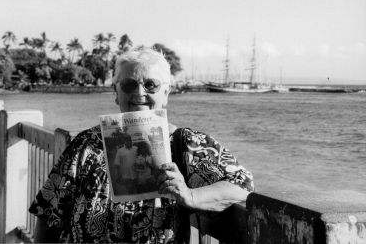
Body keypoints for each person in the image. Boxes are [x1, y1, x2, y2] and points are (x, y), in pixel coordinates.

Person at [29, 47, 254, 243]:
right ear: (116, 94)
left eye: (151, 85)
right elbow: (48, 214)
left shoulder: (185, 143)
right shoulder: (86, 144)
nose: (139, 93)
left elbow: (243, 186)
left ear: (166, 93)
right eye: (128, 85)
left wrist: (190, 196)